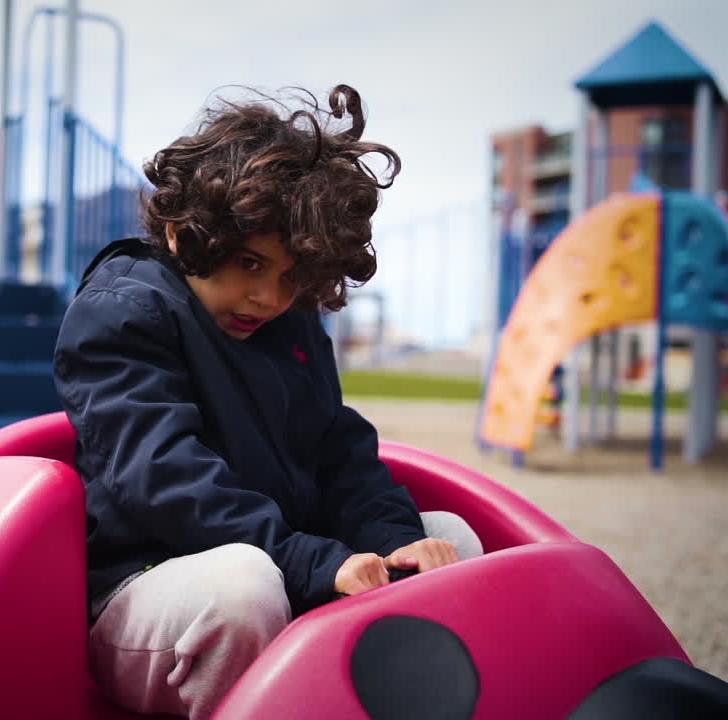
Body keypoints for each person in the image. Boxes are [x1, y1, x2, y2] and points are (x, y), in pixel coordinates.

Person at [52, 84, 484, 720]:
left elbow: (341, 454)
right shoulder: (125, 313)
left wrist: (394, 544)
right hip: (153, 590)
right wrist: (311, 560)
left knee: (449, 543)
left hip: (286, 563)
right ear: (181, 233)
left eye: (290, 276)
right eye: (249, 264)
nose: (268, 298)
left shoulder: (294, 322)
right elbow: (165, 478)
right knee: (242, 588)